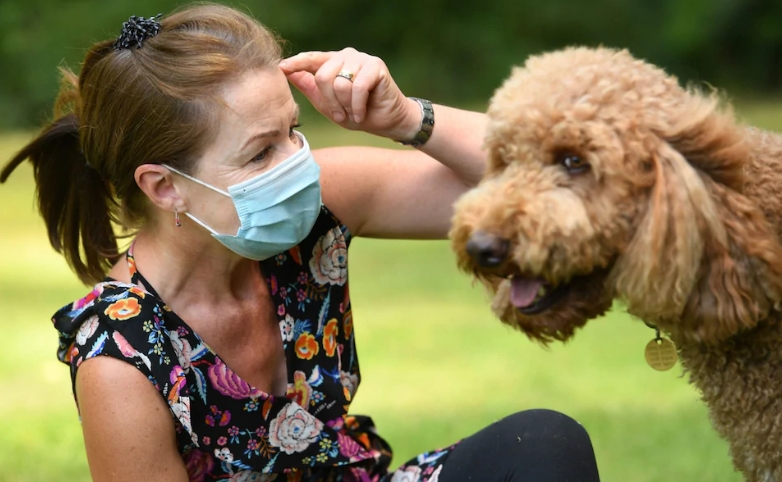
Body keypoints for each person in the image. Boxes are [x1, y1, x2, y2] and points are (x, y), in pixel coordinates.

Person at [0, 4, 600, 482]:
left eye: (293, 130)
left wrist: (404, 118)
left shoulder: (312, 206)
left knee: (545, 442)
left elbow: (545, 182)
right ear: (164, 187)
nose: (297, 164)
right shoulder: (119, 356)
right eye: (261, 151)